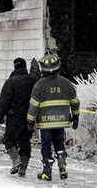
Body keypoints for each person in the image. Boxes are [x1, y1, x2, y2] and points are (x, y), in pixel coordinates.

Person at [27, 53, 80, 181]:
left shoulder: (39, 85)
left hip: (45, 124)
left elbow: (33, 106)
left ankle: (47, 172)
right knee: (59, 144)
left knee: (46, 147)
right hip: (61, 121)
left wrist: (30, 121)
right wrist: (76, 117)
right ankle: (62, 167)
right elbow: (75, 102)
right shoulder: (66, 83)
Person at [0, 57, 40, 176]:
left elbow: (4, 101)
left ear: (15, 67)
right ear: (25, 67)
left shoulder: (10, 82)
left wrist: (0, 115)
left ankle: (16, 160)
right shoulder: (32, 81)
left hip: (13, 116)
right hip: (28, 117)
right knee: (25, 141)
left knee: (9, 140)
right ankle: (23, 168)